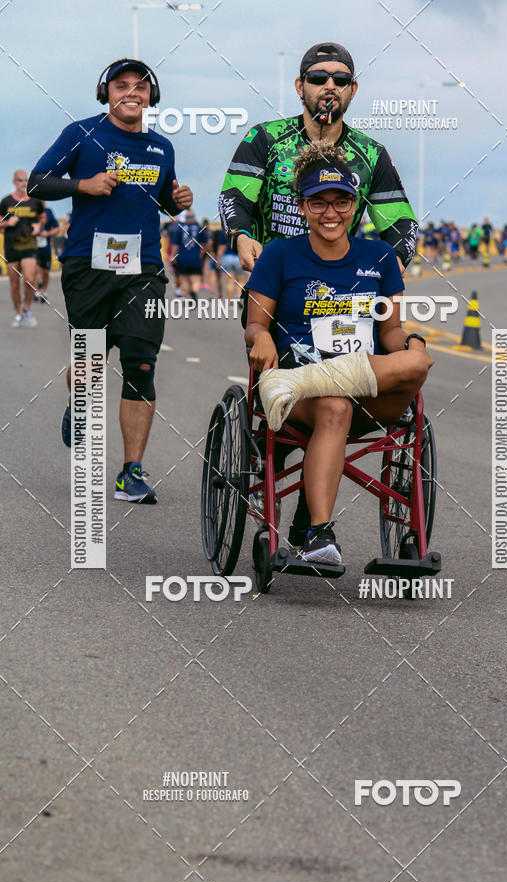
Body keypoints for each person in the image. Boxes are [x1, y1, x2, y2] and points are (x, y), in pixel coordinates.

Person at [219, 40, 418, 546]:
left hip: (348, 299)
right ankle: (283, 460)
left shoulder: (370, 154)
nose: (328, 85)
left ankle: (311, 525)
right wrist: (243, 236)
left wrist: (392, 259)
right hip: (279, 288)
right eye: (318, 77)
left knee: (340, 401)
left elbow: (401, 222)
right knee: (293, 423)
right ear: (300, 86)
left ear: (352, 90)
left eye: (339, 78)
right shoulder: (265, 139)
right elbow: (233, 197)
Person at [245, 142, 433, 564]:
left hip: (367, 393)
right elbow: (256, 324)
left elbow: (391, 332)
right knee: (334, 405)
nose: (330, 212)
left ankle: (307, 383)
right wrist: (260, 337)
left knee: (417, 360)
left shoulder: (381, 257)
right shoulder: (279, 255)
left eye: (341, 201)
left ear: (356, 205)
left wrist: (409, 343)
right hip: (308, 396)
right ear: (301, 206)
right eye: (318, 202)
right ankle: (318, 535)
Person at [28, 57, 193, 503]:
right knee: (91, 362)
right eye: (121, 85)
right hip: (88, 264)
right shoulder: (81, 133)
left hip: (143, 268)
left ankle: (131, 472)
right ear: (107, 92)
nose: (131, 92)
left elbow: (165, 203)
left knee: (141, 363)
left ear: (151, 97)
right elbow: (38, 183)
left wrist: (179, 200)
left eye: (140, 86)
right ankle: (78, 402)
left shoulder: (162, 148)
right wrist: (83, 185)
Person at [0, 169, 43, 326]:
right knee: (14, 283)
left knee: (30, 279)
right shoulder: (6, 202)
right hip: (11, 246)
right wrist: (7, 223)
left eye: (26, 179)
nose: (23, 182)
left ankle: (27, 307)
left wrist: (38, 226)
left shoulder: (35, 201)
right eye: (20, 180)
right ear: (14, 182)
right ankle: (18, 312)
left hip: (29, 245)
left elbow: (42, 218)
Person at [171, 210, 205, 301]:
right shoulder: (199, 228)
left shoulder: (180, 229)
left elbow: (175, 244)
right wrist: (202, 253)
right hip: (195, 258)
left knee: (184, 279)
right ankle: (193, 293)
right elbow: (207, 243)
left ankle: (187, 298)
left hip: (182, 258)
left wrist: (172, 256)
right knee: (196, 280)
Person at [34, 203, 60, 302]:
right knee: (35, 269)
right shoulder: (31, 210)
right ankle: (36, 290)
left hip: (45, 247)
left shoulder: (48, 212)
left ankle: (43, 291)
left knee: (45, 272)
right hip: (33, 246)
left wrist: (47, 233)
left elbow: (57, 229)